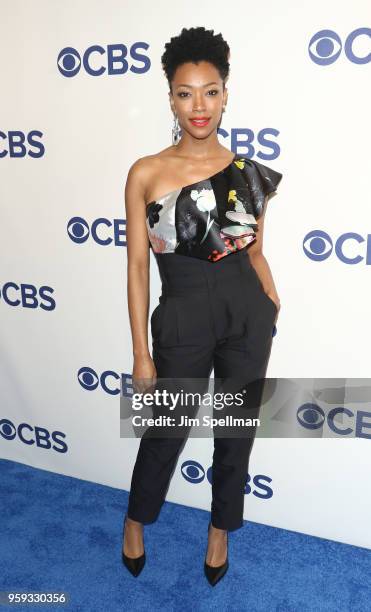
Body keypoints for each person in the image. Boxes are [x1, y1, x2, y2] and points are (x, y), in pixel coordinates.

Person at [122, 26, 283, 586]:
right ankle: (136, 521)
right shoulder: (146, 172)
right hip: (183, 313)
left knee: (236, 430)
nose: (199, 106)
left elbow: (257, 252)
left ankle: (219, 532)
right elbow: (139, 268)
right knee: (166, 428)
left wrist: (270, 300)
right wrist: (141, 353)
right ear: (170, 97)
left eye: (210, 92)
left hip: (247, 313)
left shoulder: (249, 172)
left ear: (225, 95)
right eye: (186, 93)